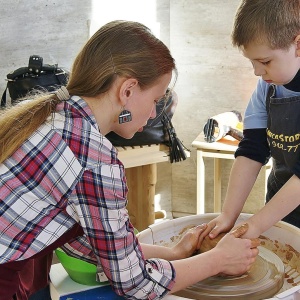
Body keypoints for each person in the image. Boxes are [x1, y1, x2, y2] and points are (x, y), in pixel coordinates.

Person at [0, 20, 259, 300]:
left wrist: (175, 253)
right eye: (155, 100)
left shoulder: (57, 118)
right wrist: (218, 261)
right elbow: (136, 285)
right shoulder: (94, 158)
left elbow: (89, 245)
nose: (151, 114)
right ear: (127, 90)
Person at [204, 0, 300, 241]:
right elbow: (252, 150)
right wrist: (228, 216)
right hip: (281, 205)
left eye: (265, 62)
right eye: (252, 62)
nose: (257, 72)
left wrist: (254, 225)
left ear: (298, 45)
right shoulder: (265, 88)